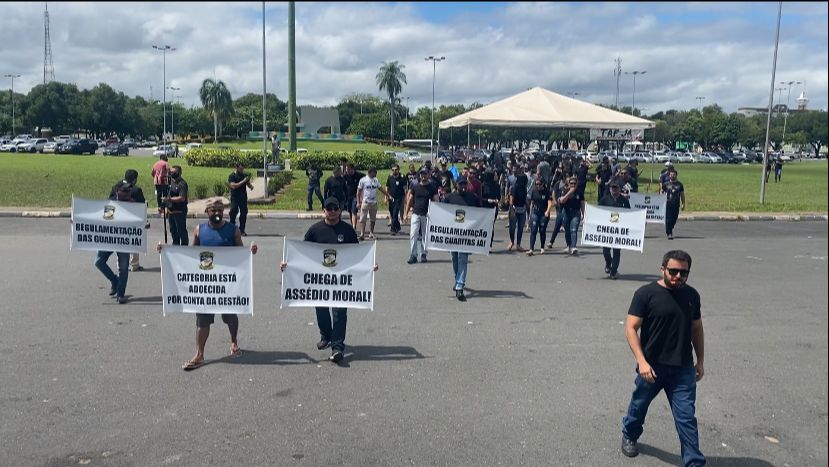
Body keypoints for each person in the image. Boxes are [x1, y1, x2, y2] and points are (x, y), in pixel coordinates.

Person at [621, 250, 705, 467]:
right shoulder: (646, 294)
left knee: (686, 419)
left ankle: (694, 462)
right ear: (663, 269)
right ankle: (630, 433)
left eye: (683, 273)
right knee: (639, 406)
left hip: (682, 368)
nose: (678, 276)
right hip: (652, 367)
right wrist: (641, 361)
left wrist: (701, 361)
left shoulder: (692, 296)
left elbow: (696, 328)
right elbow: (631, 328)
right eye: (673, 271)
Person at [160, 198, 258, 371]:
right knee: (202, 319)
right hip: (206, 286)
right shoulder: (200, 230)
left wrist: (251, 251)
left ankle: (234, 341)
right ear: (207, 212)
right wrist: (166, 251)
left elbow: (242, 255)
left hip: (227, 285)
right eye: (213, 210)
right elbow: (190, 256)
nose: (217, 213)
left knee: (229, 316)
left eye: (220, 210)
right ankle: (199, 354)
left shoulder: (233, 230)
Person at [280, 197, 377, 364]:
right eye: (328, 208)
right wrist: (287, 264)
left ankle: (337, 346)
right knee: (321, 310)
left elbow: (358, 254)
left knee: (340, 312)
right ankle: (326, 335)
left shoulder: (347, 231)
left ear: (340, 210)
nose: (332, 211)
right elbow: (302, 255)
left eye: (335, 208)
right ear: (323, 210)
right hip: (320, 282)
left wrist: (370, 265)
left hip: (341, 282)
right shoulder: (315, 231)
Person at [95, 181, 135, 304]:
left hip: (124, 240)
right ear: (117, 191)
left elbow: (140, 221)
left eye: (129, 190)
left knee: (123, 267)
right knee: (99, 262)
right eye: (125, 191)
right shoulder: (110, 203)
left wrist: (145, 224)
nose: (128, 193)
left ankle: (121, 293)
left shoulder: (133, 204)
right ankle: (114, 280)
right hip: (110, 238)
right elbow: (104, 220)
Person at [443, 179, 480, 301]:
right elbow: (441, 212)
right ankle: (457, 279)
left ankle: (459, 287)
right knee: (454, 258)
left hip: (466, 236)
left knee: (463, 259)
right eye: (461, 184)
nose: (463, 186)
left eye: (465, 184)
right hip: (453, 235)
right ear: (456, 185)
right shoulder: (449, 198)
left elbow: (480, 212)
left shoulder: (472, 197)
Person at [109, 169, 149, 271]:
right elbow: (142, 206)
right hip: (132, 219)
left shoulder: (116, 186)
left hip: (118, 219)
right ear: (135, 179)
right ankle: (134, 264)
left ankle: (120, 265)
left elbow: (109, 202)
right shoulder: (136, 190)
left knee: (120, 242)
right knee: (133, 241)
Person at [404, 169, 439, 264]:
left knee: (425, 235)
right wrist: (406, 213)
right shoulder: (415, 186)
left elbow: (436, 200)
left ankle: (424, 254)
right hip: (416, 213)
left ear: (428, 175)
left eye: (425, 174)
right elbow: (410, 200)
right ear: (420, 175)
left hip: (427, 214)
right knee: (413, 234)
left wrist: (437, 214)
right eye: (422, 174)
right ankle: (413, 255)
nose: (423, 176)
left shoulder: (432, 187)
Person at [599, 181, 631, 279]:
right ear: (609, 189)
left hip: (619, 230)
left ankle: (613, 272)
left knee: (617, 251)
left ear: (619, 189)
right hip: (607, 230)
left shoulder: (624, 200)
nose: (614, 189)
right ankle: (608, 263)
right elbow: (598, 212)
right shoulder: (605, 199)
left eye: (616, 188)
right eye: (612, 188)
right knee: (606, 251)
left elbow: (630, 214)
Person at [356, 166, 388, 240]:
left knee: (373, 219)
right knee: (363, 218)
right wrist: (358, 202)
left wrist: (388, 195)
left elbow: (381, 188)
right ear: (371, 172)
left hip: (373, 202)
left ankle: (371, 233)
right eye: (375, 172)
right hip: (365, 201)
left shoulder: (375, 180)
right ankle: (362, 234)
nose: (376, 173)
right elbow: (358, 192)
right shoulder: (363, 180)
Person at [557, 176, 583, 255]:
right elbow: (562, 201)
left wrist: (584, 215)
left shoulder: (579, 192)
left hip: (576, 213)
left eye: (575, 183)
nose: (573, 185)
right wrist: (570, 192)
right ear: (569, 184)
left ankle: (573, 247)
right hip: (566, 212)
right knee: (567, 230)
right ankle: (569, 246)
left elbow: (582, 204)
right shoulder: (564, 191)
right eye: (571, 183)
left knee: (574, 230)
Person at [527, 178, 553, 256]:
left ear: (542, 184)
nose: (538, 186)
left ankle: (542, 247)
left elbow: (549, 202)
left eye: (539, 184)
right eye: (536, 184)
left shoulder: (547, 191)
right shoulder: (534, 191)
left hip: (543, 213)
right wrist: (530, 215)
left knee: (542, 230)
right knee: (534, 230)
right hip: (535, 212)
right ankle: (531, 249)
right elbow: (532, 203)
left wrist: (547, 211)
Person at [164, 165, 189, 245]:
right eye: (170, 172)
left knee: (181, 231)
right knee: (173, 231)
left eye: (172, 172)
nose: (171, 173)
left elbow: (182, 198)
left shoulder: (182, 184)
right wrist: (164, 206)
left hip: (179, 211)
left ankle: (184, 247)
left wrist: (170, 199)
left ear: (178, 173)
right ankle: (176, 246)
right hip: (171, 211)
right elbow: (168, 194)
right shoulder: (171, 182)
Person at [227, 163, 254, 236]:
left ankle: (242, 230)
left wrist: (250, 185)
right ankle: (232, 229)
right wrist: (243, 181)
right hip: (235, 197)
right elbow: (233, 186)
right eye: (240, 169)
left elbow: (248, 184)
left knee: (244, 213)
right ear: (236, 168)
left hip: (243, 197)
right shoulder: (232, 176)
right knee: (233, 211)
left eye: (243, 169)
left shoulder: (244, 175)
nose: (242, 170)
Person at [507, 168, 529, 252]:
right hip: (514, 209)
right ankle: (512, 242)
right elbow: (511, 200)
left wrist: (527, 205)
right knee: (512, 228)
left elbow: (525, 199)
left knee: (520, 228)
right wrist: (512, 210)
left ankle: (518, 244)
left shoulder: (524, 189)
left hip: (522, 210)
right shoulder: (514, 187)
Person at [661, 168, 685, 240]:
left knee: (674, 219)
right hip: (668, 204)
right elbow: (661, 192)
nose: (672, 176)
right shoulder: (666, 184)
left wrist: (683, 203)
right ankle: (669, 233)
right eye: (671, 174)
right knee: (668, 219)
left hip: (676, 204)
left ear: (676, 175)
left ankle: (670, 228)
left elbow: (682, 194)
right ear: (669, 175)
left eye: (674, 174)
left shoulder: (680, 185)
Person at [386, 164, 407, 235]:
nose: (394, 171)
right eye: (393, 170)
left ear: (398, 170)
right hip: (391, 198)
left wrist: (405, 197)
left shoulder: (402, 177)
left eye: (396, 170)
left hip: (399, 198)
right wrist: (386, 197)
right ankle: (397, 226)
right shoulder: (390, 177)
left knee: (395, 214)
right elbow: (387, 187)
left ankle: (393, 229)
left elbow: (405, 188)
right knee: (392, 213)